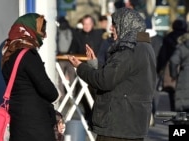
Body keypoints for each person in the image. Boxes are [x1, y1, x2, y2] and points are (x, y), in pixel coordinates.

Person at [68, 7, 156, 141]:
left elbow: (104, 80)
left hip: (118, 124)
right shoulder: (144, 46)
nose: (111, 29)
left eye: (114, 25)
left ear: (125, 24)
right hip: (132, 123)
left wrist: (80, 67)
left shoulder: (128, 49)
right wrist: (94, 64)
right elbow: (119, 76)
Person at [1, 13, 60, 141]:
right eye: (42, 30)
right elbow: (49, 92)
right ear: (30, 29)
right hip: (35, 127)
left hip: (17, 123)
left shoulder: (7, 55)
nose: (44, 35)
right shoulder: (28, 55)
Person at [157, 19, 188, 111]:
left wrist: (159, 69)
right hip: (184, 70)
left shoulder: (168, 38)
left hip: (170, 69)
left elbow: (163, 55)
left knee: (172, 93)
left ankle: (175, 113)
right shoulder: (186, 39)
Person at [169, 32, 189, 113]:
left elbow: (173, 60)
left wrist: (174, 75)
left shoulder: (182, 47)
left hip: (185, 75)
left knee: (183, 97)